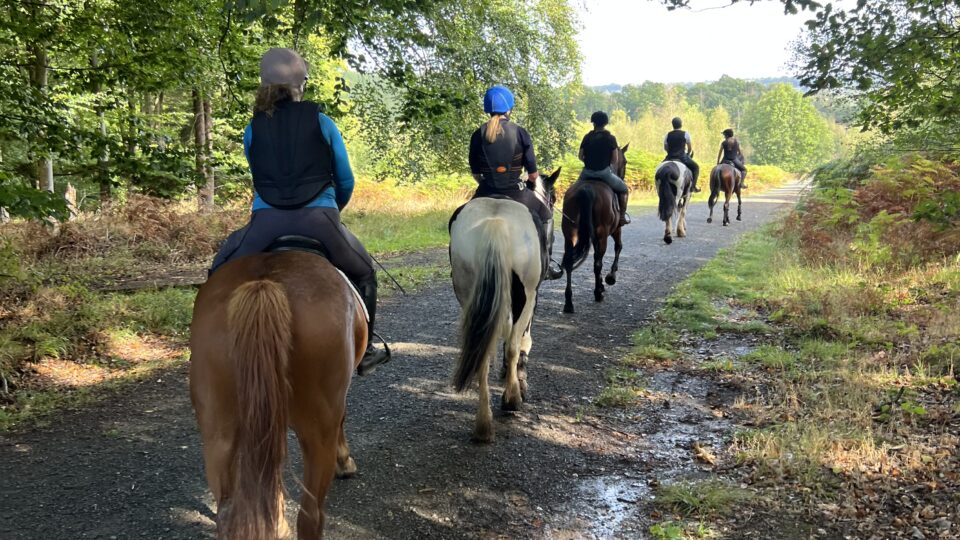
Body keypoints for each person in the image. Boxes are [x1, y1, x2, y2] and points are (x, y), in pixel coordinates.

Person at [210, 48, 390, 374]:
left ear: (264, 85)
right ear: (300, 86)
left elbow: (257, 176)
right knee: (364, 272)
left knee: (219, 269)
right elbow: (345, 178)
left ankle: (205, 349)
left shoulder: (253, 128)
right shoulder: (322, 122)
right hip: (319, 221)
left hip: (265, 224)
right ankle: (365, 354)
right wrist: (335, 208)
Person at [467, 85, 561, 278]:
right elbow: (533, 175)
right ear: (509, 108)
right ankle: (547, 262)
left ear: (488, 108)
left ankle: (461, 266)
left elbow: (475, 172)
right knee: (546, 216)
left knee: (458, 218)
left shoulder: (478, 134)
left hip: (485, 190)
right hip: (515, 192)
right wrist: (528, 179)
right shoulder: (520, 132)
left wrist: (486, 181)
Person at [577, 111, 630, 226]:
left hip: (586, 173)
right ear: (605, 123)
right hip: (604, 173)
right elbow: (615, 160)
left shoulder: (587, 137)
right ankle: (621, 217)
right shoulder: (610, 138)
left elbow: (580, 156)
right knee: (624, 189)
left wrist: (588, 162)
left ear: (593, 123)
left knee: (573, 190)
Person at [663, 117, 701, 192]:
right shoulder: (685, 134)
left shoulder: (667, 135)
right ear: (681, 124)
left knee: (660, 168)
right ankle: (693, 187)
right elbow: (690, 148)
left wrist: (670, 152)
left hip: (669, 157)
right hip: (682, 157)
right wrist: (688, 154)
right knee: (696, 168)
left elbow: (665, 147)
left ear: (672, 125)